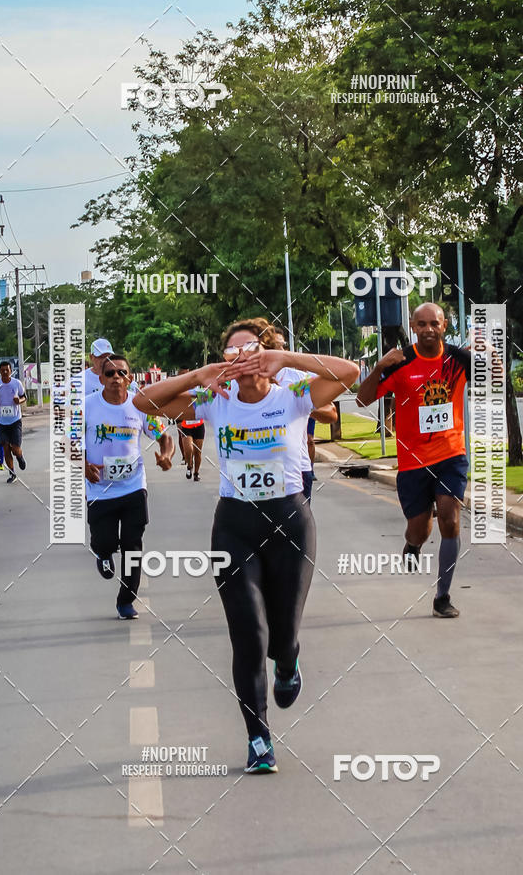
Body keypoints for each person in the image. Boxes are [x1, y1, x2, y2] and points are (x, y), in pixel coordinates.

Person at [134, 318, 359, 773]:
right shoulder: (214, 401)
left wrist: (287, 359)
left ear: (267, 354)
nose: (240, 360)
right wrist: (199, 376)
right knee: (249, 636)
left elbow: (349, 372)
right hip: (234, 528)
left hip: (290, 524)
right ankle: (259, 739)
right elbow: (145, 403)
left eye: (250, 351)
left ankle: (289, 660)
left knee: (282, 635)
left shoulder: (293, 397)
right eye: (231, 354)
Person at [357, 302, 470, 618]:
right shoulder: (400, 361)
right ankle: (413, 545)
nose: (428, 329)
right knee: (419, 529)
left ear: (444, 325)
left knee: (450, 516)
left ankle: (442, 597)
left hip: (451, 455)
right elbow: (363, 399)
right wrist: (379, 368)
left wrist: (492, 357)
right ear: (413, 325)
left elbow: (495, 383)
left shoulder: (459, 359)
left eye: (434, 323)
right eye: (421, 324)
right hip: (413, 462)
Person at [84, 355, 174, 619]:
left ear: (130, 377)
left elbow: (164, 436)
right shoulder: (87, 406)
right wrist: (81, 465)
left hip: (134, 487)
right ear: (101, 378)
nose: (115, 378)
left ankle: (126, 600)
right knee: (105, 541)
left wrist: (166, 455)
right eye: (109, 373)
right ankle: (102, 553)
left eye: (121, 373)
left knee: (132, 545)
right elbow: (68, 441)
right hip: (99, 489)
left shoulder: (140, 406)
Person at [271, 325, 338, 502]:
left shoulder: (298, 379)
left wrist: (299, 402)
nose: (278, 351)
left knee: (297, 527)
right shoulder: (244, 382)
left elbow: (331, 413)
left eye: (280, 345)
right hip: (259, 470)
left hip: (296, 469)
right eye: (271, 346)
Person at [0, 360, 26, 484]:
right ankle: (12, 473)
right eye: (3, 370)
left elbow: (24, 397)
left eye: (7, 370)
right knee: (5, 447)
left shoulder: (16, 383)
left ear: (11, 371)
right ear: (0, 371)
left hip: (15, 420)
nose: (5, 372)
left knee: (15, 448)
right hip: (1, 422)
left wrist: (19, 401)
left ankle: (20, 456)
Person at [178, 416, 205, 481]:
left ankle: (196, 473)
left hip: (199, 426)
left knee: (197, 452)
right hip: (186, 427)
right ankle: (189, 466)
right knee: (188, 449)